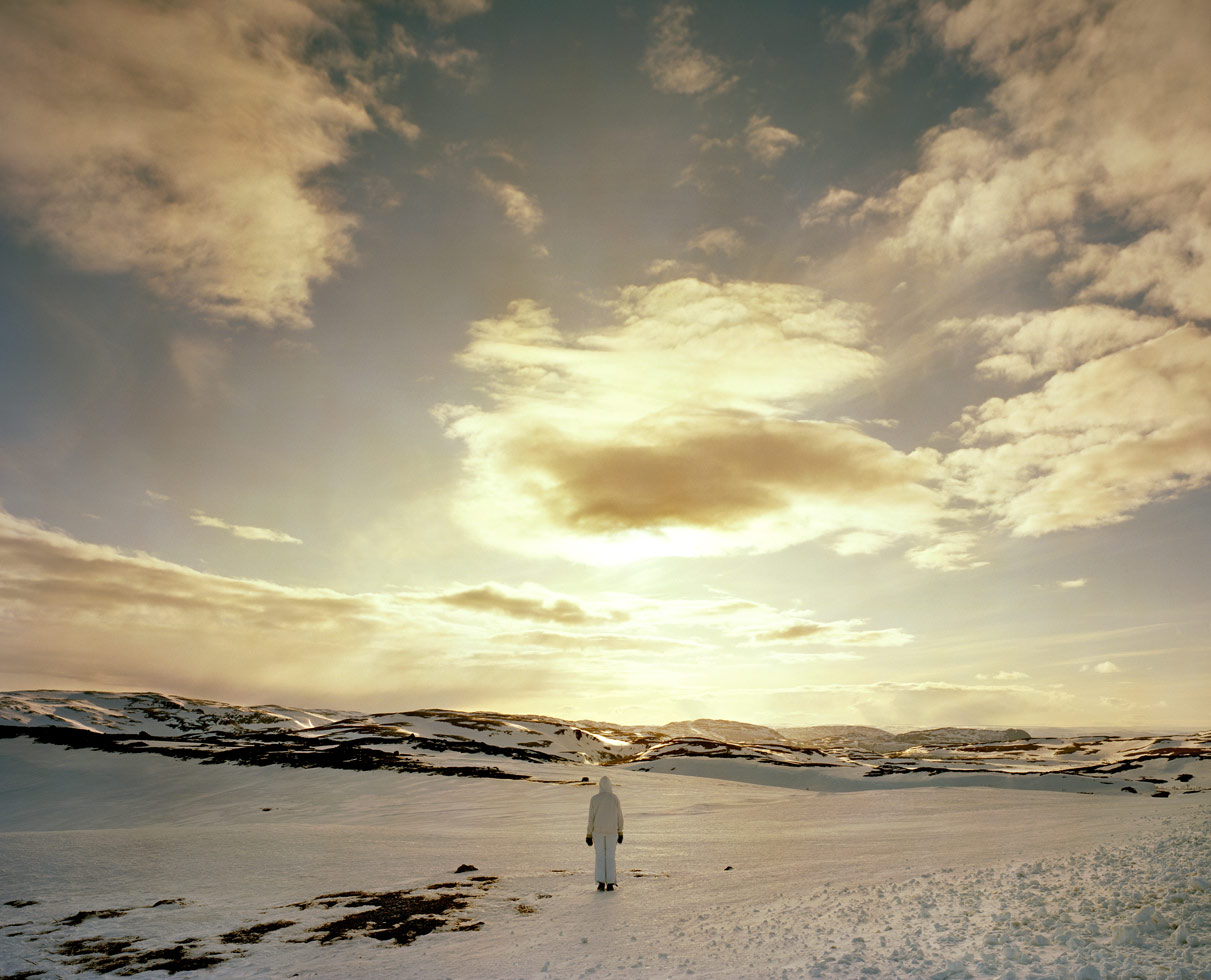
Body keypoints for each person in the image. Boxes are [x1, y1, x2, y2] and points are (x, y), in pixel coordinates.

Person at [585, 774, 624, 891]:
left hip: (598, 832)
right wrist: (620, 831)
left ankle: (601, 882)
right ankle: (611, 883)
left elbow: (591, 817)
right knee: (610, 857)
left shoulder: (594, 799)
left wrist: (589, 834)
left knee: (600, 856)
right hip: (612, 832)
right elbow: (619, 816)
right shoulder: (614, 798)